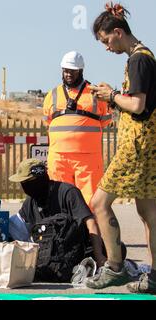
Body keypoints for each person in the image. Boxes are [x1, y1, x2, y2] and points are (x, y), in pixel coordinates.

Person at [86, 2, 156, 293]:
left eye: (106, 41)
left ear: (117, 32)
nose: (106, 48)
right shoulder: (145, 57)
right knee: (150, 213)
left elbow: (138, 105)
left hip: (137, 148)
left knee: (99, 203)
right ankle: (154, 278)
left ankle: (115, 267)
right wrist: (114, 93)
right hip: (149, 147)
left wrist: (111, 95)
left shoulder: (139, 60)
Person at [9, 158, 110, 281]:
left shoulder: (68, 192)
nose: (24, 187)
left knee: (118, 251)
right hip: (49, 258)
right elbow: (18, 228)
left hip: (76, 251)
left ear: (37, 180)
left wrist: (99, 257)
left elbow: (90, 223)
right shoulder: (31, 202)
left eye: (26, 182)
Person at [43, 51, 112, 208]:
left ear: (81, 71)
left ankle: (89, 232)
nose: (68, 74)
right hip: (59, 157)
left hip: (87, 159)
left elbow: (105, 120)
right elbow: (48, 121)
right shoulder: (52, 94)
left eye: (72, 71)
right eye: (66, 70)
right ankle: (63, 231)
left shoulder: (95, 93)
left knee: (90, 201)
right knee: (59, 199)